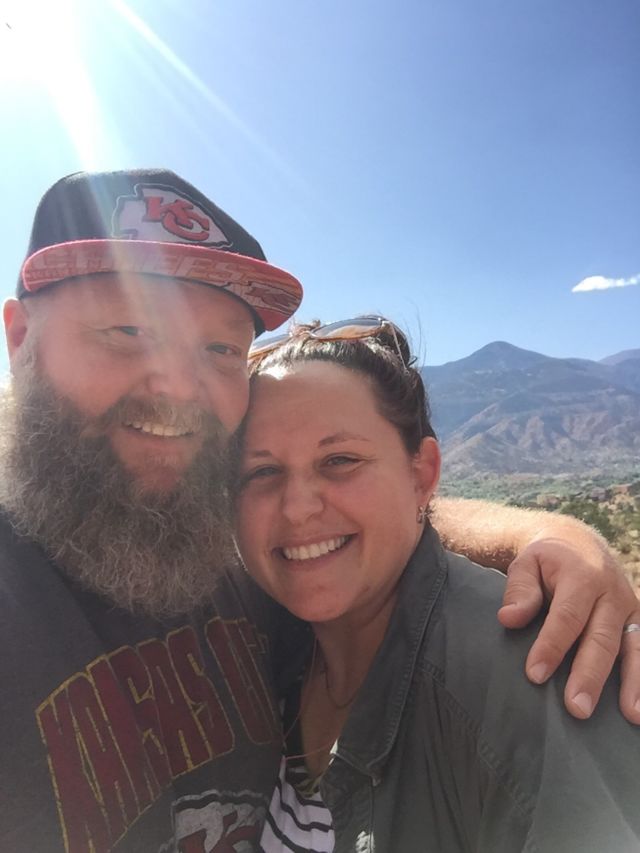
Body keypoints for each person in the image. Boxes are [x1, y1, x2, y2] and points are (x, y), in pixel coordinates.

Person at [0, 170, 637, 853]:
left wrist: (550, 537)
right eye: (127, 328)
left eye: (220, 349)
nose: (180, 387)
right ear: (20, 337)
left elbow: (348, 531)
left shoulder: (226, 563)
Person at [235, 318, 640, 853]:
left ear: (422, 474)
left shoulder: (532, 678)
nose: (297, 508)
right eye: (261, 472)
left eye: (339, 461)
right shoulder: (262, 643)